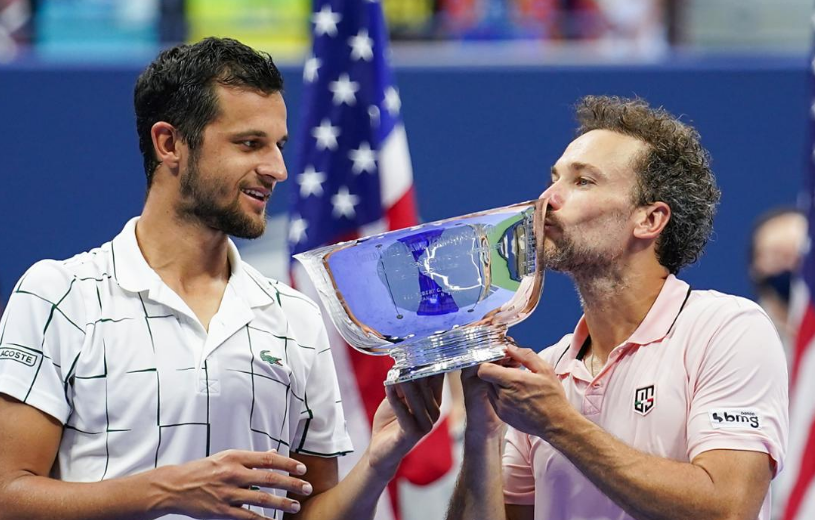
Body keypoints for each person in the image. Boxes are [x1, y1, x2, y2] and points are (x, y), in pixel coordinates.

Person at [0, 37, 442, 520]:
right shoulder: (58, 296)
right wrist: (165, 489)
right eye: (250, 143)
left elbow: (309, 510)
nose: (277, 169)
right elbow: (9, 494)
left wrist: (378, 461)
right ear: (169, 144)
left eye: (278, 146)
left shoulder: (297, 319)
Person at [446, 95, 788, 520]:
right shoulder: (545, 374)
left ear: (649, 220)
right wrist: (484, 432)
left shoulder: (728, 330)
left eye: (583, 181)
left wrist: (560, 424)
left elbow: (728, 508)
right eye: (553, 178)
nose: (547, 198)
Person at [749, 207, 807, 353]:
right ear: (755, 266)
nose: (790, 266)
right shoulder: (741, 336)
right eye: (778, 256)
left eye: (798, 256)